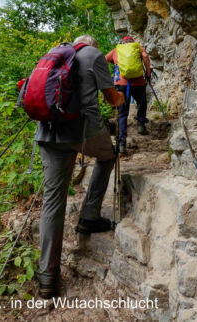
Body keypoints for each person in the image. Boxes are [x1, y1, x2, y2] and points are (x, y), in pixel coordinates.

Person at [34, 34, 125, 299]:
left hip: (47, 133)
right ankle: (89, 217)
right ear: (92, 45)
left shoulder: (55, 53)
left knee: (52, 202)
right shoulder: (94, 56)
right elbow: (111, 99)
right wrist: (121, 96)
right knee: (108, 157)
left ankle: (48, 280)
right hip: (83, 132)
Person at [105, 36, 151, 154]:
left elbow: (104, 60)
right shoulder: (138, 47)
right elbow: (145, 57)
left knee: (122, 113)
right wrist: (148, 73)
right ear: (132, 42)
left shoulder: (116, 50)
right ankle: (140, 124)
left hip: (121, 83)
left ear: (122, 42)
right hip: (138, 82)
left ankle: (121, 144)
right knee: (142, 102)